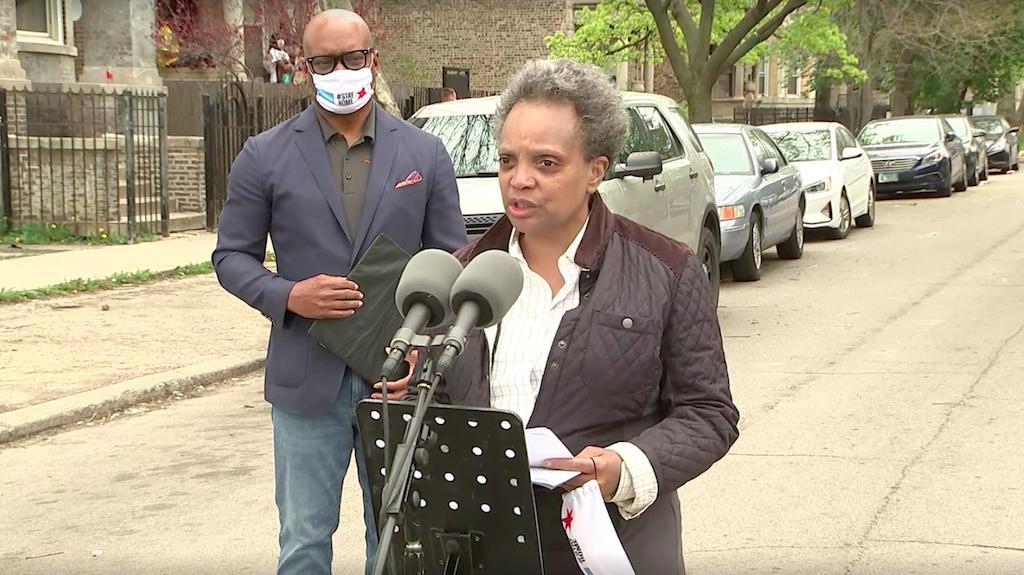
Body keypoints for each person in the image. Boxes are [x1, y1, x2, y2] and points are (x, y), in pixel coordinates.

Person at [438, 59, 739, 574]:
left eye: (546, 163)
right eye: (508, 160)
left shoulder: (667, 271)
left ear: (596, 170)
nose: (520, 180)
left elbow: (709, 413)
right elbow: (443, 404)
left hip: (615, 546)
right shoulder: (462, 276)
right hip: (486, 549)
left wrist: (625, 468)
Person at [212, 9, 467, 575]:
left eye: (353, 57)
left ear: (373, 60)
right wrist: (287, 295)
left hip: (396, 376)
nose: (341, 70)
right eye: (325, 61)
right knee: (303, 541)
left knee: (397, 538)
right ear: (307, 69)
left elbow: (452, 261)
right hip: (307, 377)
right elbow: (230, 257)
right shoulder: (264, 154)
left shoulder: (424, 154)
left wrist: (424, 349)